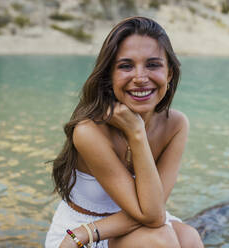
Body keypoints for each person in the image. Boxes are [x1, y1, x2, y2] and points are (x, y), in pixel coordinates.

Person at [45, 16, 204, 248]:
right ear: (109, 76)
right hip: (83, 230)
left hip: (135, 224)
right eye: (126, 66)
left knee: (189, 237)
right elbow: (154, 217)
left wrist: (136, 132)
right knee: (160, 239)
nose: (140, 78)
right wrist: (80, 234)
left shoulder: (176, 124)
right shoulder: (89, 131)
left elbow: (154, 212)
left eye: (153, 64)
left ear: (169, 73)